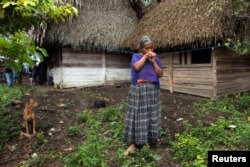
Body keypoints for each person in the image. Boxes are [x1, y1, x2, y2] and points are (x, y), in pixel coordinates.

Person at [123, 35, 163, 155]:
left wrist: (153, 61)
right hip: (139, 90)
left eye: (151, 48)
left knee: (151, 115)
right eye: (147, 48)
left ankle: (150, 139)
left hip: (152, 90)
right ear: (142, 49)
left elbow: (160, 74)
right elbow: (136, 68)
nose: (150, 50)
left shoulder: (156, 59)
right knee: (137, 115)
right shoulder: (136, 57)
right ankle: (133, 143)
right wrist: (145, 57)